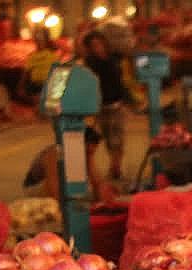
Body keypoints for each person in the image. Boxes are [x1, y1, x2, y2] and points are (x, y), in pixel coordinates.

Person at [81, 30, 130, 180]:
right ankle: (113, 166)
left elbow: (121, 81)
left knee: (117, 137)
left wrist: (126, 99)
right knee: (108, 137)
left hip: (116, 104)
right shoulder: (91, 62)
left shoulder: (114, 59)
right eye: (93, 45)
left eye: (99, 44)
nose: (98, 47)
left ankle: (116, 167)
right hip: (101, 106)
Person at [22, 124, 114, 203]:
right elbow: (53, 184)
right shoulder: (55, 152)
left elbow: (96, 180)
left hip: (61, 185)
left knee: (94, 186)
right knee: (64, 186)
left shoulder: (87, 153)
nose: (91, 152)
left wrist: (102, 196)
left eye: (93, 149)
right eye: (88, 149)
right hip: (37, 187)